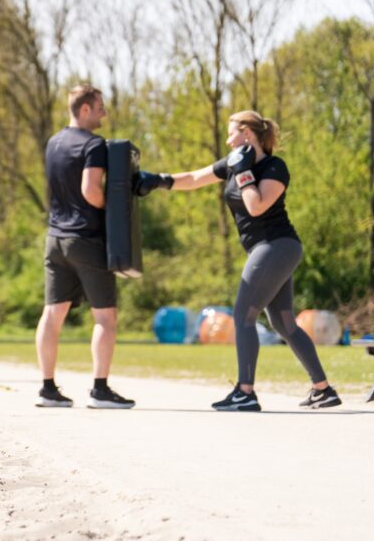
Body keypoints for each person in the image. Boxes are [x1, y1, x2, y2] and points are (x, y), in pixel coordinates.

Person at [134, 110, 341, 411]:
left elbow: (256, 207)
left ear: (247, 133)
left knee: (244, 312)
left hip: (277, 245)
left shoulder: (273, 167)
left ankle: (245, 392)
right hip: (267, 250)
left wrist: (244, 172)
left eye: (232, 133)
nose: (228, 140)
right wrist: (156, 181)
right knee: (283, 323)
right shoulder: (231, 165)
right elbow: (193, 178)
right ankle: (323, 389)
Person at [36, 85, 135, 409]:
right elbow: (90, 189)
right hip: (86, 240)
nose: (104, 113)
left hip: (55, 240)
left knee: (52, 314)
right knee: (105, 318)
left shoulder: (53, 142)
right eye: (100, 107)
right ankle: (100, 390)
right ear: (86, 109)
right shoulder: (94, 145)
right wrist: (112, 211)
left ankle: (48, 389)